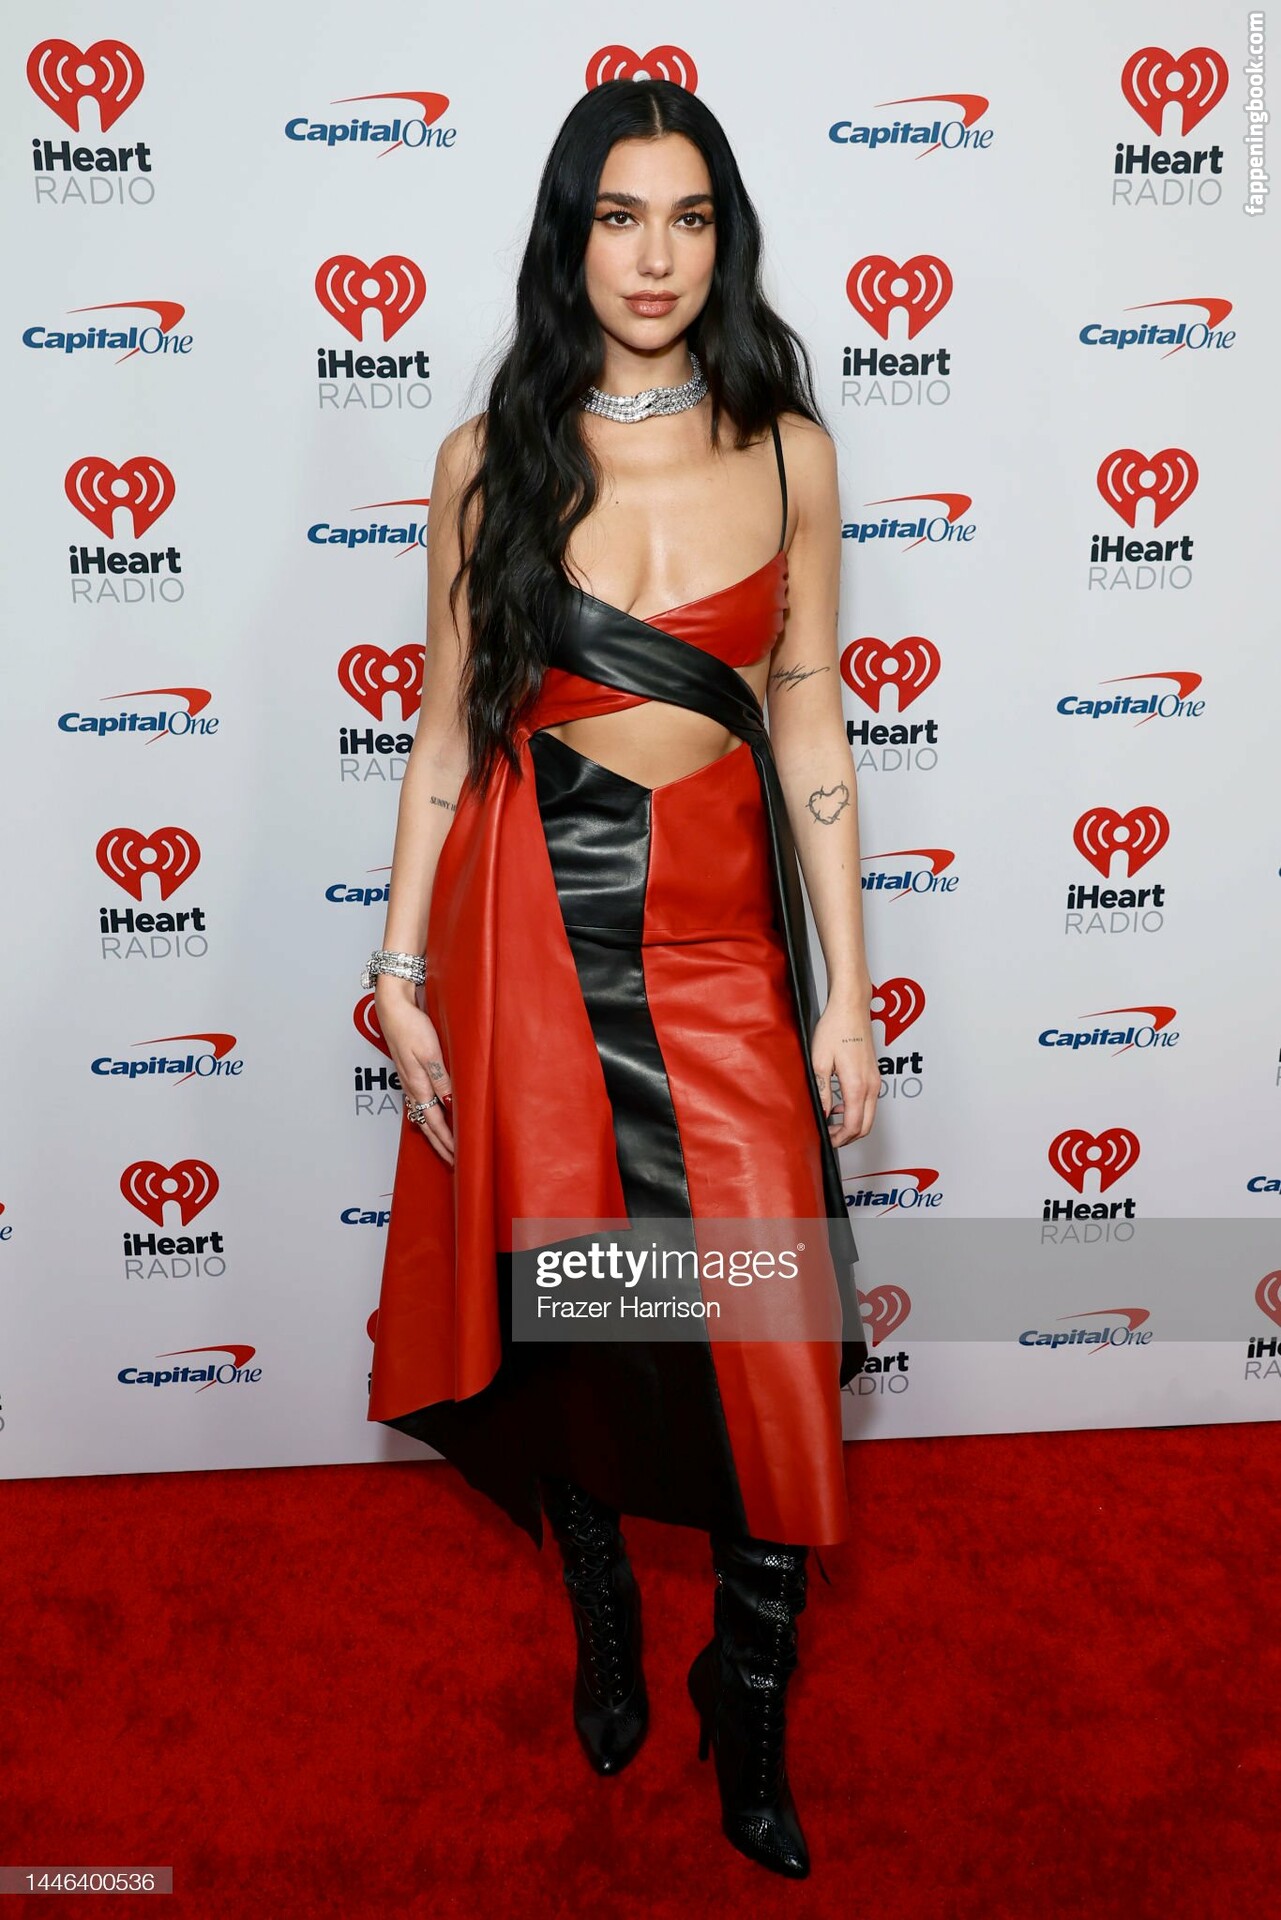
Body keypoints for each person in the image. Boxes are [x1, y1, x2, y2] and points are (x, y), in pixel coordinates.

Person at [364, 77, 880, 1879]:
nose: (653, 257)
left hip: (722, 945)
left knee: (767, 1336)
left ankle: (748, 1686)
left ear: (723, 240)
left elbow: (806, 715)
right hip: (531, 938)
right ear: (566, 236)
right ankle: (599, 1597)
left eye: (688, 218)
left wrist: (845, 989)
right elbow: (445, 734)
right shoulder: (486, 460)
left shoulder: (789, 452)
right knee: (574, 1310)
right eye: (616, 217)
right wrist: (400, 967)